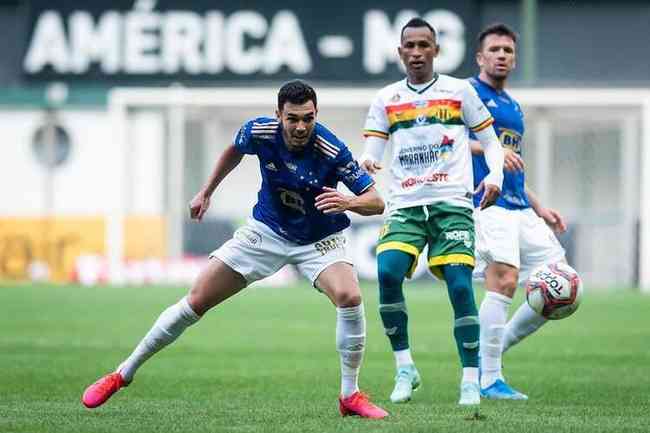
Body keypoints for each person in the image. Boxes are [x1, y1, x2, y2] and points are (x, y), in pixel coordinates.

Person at [82, 80, 388, 419]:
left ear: (316, 115)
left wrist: (350, 201)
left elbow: (377, 202)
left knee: (350, 296)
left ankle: (350, 395)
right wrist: (206, 191)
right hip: (266, 232)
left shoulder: (332, 151)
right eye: (293, 119)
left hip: (319, 240)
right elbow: (234, 151)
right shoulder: (259, 131)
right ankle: (121, 374)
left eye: (308, 118)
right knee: (196, 300)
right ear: (278, 115)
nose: (301, 127)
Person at [359, 18, 505, 408]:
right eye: (411, 45)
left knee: (459, 285)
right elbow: (372, 151)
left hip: (452, 202)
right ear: (400, 52)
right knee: (387, 273)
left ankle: (470, 379)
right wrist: (369, 163)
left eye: (425, 45)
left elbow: (491, 144)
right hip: (405, 204)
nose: (418, 52)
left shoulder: (460, 92)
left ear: (436, 50)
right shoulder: (386, 98)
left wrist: (496, 176)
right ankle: (405, 367)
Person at [469, 23, 568, 400]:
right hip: (487, 203)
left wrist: (540, 206)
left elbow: (514, 164)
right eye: (494, 49)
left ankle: (489, 354)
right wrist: (491, 150)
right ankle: (490, 378)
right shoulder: (466, 95)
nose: (501, 56)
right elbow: (447, 143)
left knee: (562, 286)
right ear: (480, 57)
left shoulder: (512, 107)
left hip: (520, 207)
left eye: (508, 51)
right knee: (505, 280)